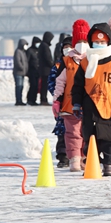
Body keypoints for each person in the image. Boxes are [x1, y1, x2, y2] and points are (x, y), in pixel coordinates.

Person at [72, 22, 111, 176]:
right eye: (96, 42)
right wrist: (76, 104)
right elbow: (77, 85)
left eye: (102, 42)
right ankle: (93, 162)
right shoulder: (85, 62)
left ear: (108, 42)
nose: (99, 45)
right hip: (90, 105)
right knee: (90, 136)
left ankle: (110, 163)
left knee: (110, 137)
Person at [53, 19, 90, 171]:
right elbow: (60, 82)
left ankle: (87, 158)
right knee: (73, 133)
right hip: (69, 103)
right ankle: (74, 159)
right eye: (78, 40)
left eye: (84, 40)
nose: (81, 44)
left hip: (90, 104)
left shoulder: (94, 58)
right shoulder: (67, 60)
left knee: (87, 133)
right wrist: (56, 100)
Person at [48, 34, 73, 168]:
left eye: (70, 46)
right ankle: (63, 156)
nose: (68, 49)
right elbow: (51, 83)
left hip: (75, 102)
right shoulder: (57, 66)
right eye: (65, 47)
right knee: (62, 130)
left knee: (76, 131)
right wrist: (58, 96)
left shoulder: (79, 63)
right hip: (62, 103)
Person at [38, 31, 54, 105]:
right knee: (44, 86)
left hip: (43, 69)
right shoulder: (45, 46)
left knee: (44, 86)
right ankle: (44, 99)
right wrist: (52, 65)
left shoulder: (42, 45)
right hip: (46, 70)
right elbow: (48, 58)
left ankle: (43, 99)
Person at [26, 36, 41, 105]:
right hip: (31, 71)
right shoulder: (30, 50)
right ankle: (30, 100)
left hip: (37, 71)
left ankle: (34, 100)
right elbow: (27, 61)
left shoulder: (38, 50)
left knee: (36, 86)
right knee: (32, 85)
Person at [12, 38, 28, 105]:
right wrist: (22, 68)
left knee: (21, 87)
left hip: (22, 73)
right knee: (18, 86)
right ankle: (18, 100)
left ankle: (20, 100)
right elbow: (18, 62)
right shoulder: (18, 51)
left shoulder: (23, 52)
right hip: (18, 72)